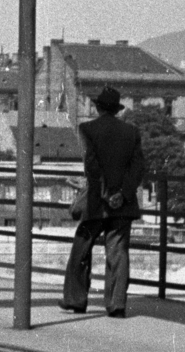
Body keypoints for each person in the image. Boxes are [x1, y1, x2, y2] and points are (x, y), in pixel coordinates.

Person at [61, 85, 145, 317]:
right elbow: (138, 167)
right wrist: (123, 194)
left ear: (97, 108)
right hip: (123, 205)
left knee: (81, 248)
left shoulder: (87, 129)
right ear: (117, 109)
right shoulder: (131, 132)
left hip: (97, 202)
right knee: (118, 254)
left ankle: (76, 299)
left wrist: (106, 193)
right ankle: (116, 305)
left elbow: (93, 166)